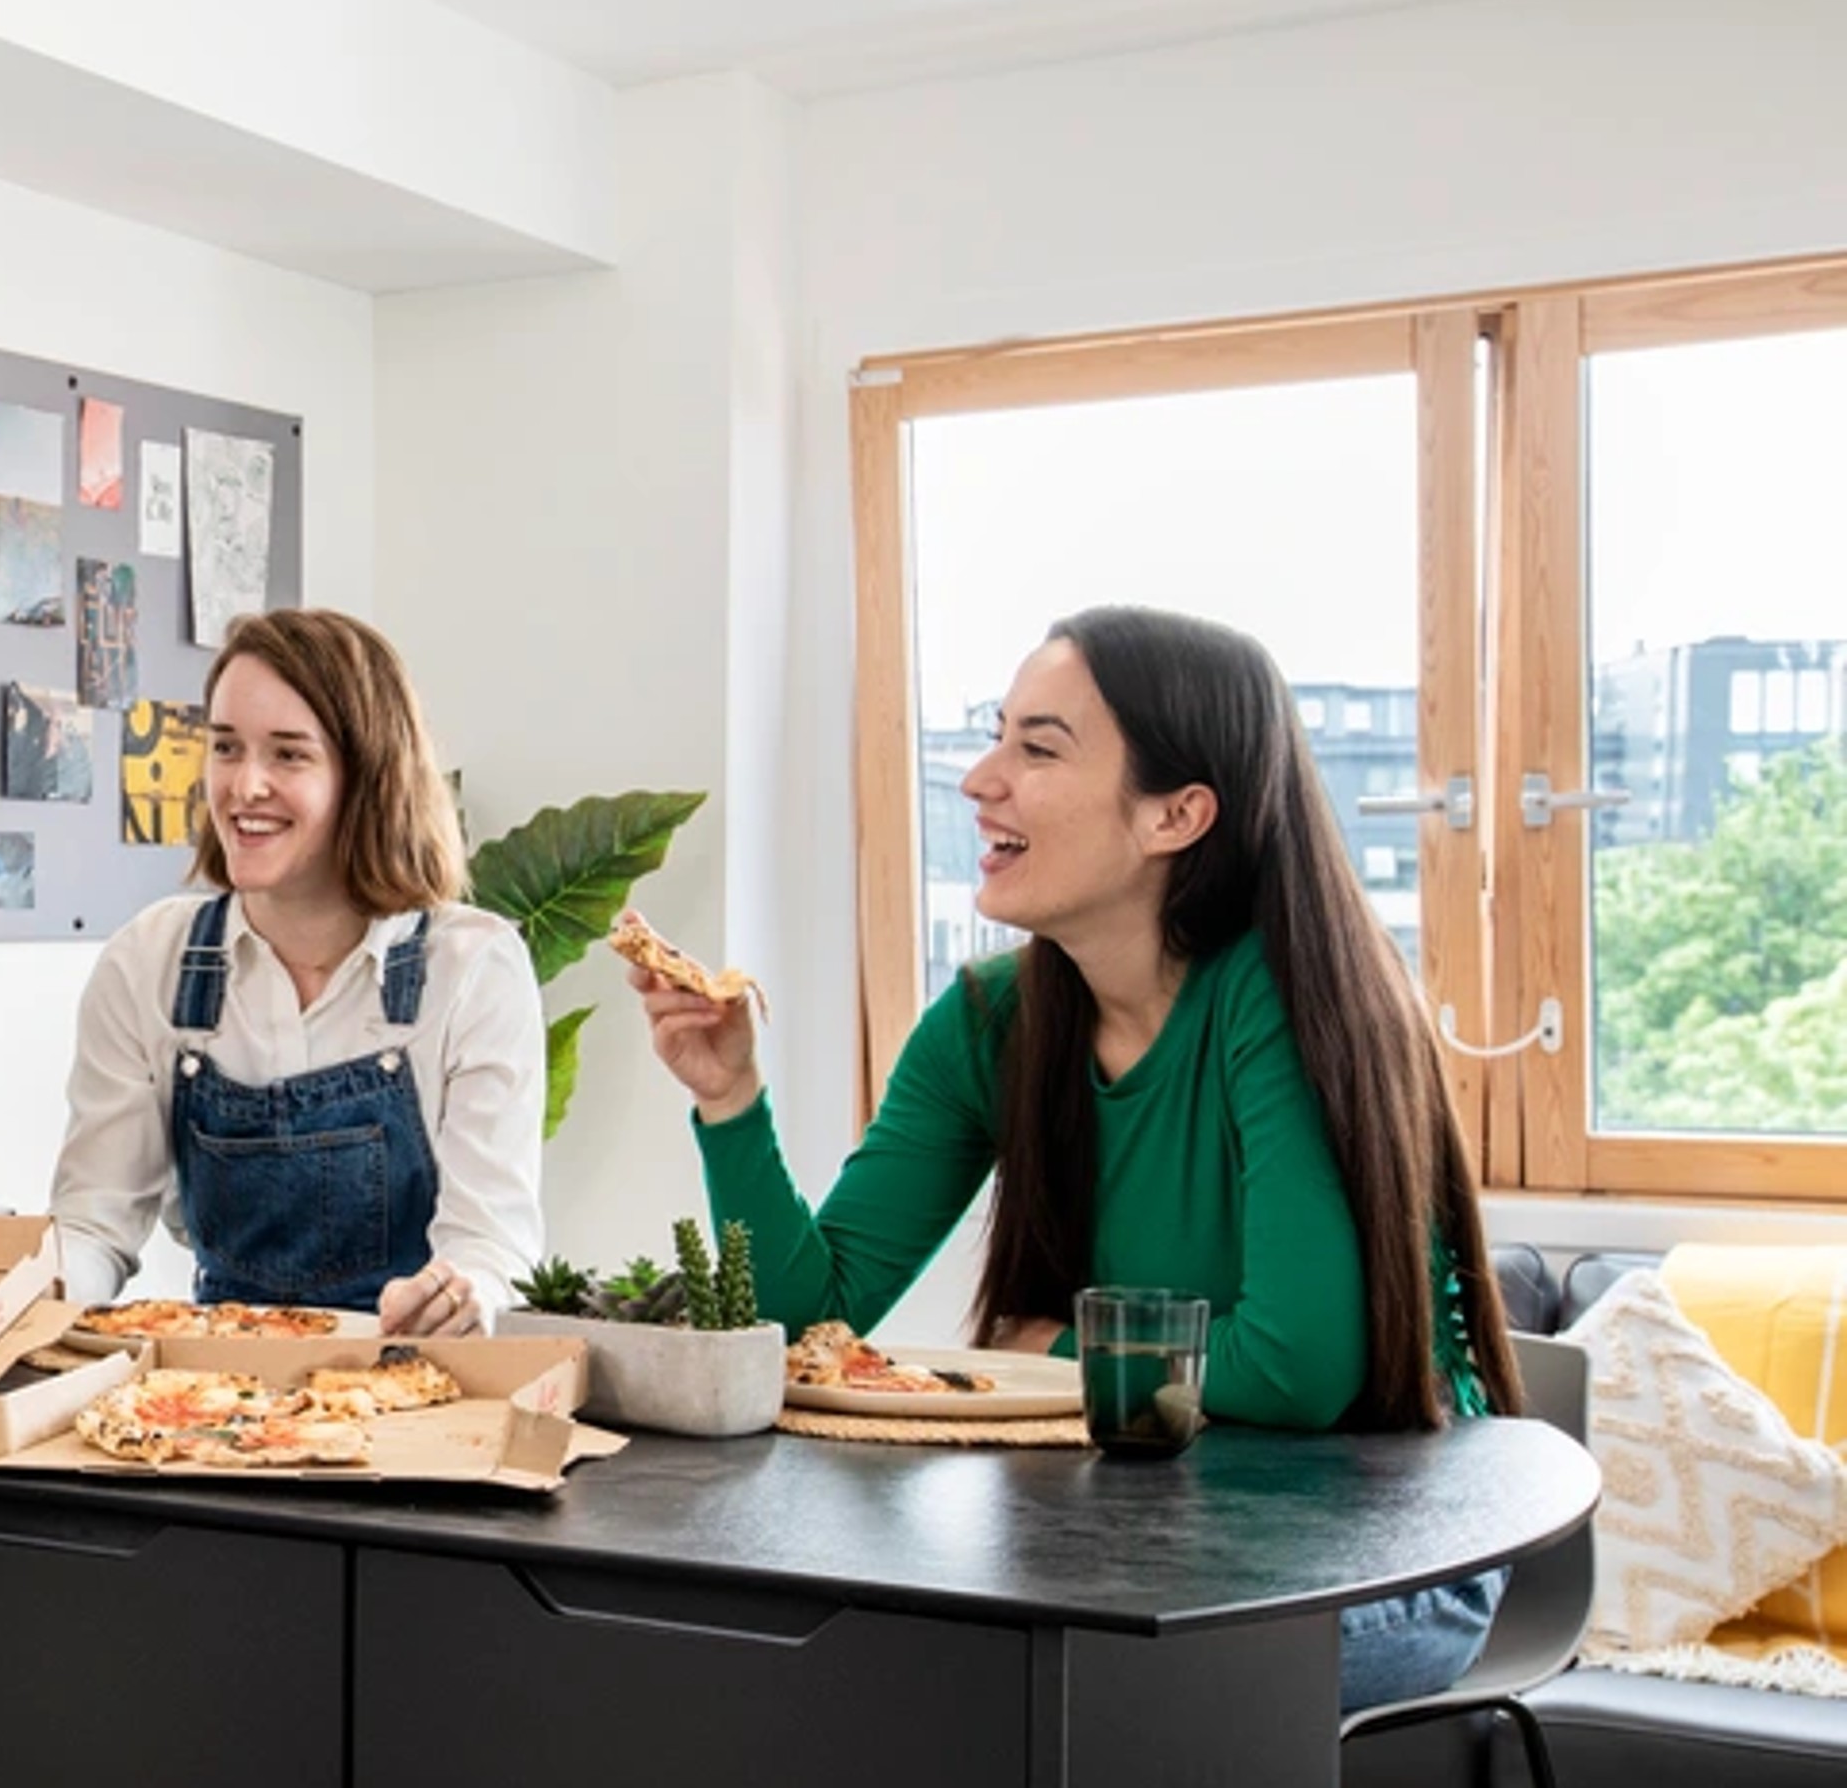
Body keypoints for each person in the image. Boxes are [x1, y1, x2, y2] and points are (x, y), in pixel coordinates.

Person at [633, 605, 1524, 1711]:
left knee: (1030, 1693)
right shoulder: (987, 1023)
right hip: (1137, 1543)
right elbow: (807, 1328)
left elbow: (1298, 1370)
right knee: (848, 1658)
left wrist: (1055, 1342)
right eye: (997, 733)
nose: (980, 778)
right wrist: (730, 1098)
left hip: (1387, 1558)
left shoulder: (1283, 999)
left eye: (1038, 747)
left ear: (1176, 813)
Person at [50, 606, 544, 1336]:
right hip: (213, 1401)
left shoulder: (472, 968)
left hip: (420, 1388)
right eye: (225, 747)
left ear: (368, 777)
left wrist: (457, 1298)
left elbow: (490, 1247)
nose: (244, 786)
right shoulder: (146, 963)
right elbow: (93, 1226)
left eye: (288, 754)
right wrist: (20, 1277)